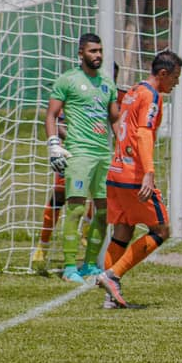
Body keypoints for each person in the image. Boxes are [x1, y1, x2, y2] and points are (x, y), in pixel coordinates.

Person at [95, 51, 182, 309]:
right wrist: (149, 172)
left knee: (123, 229)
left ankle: (110, 297)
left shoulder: (134, 91)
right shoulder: (151, 96)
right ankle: (112, 275)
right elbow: (144, 133)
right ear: (163, 74)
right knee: (161, 230)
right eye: (175, 78)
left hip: (116, 170)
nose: (176, 84)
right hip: (134, 174)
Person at [44, 33, 120, 284]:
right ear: (81, 54)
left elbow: (115, 119)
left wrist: (124, 147)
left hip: (102, 155)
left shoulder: (108, 83)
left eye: (100, 51)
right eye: (92, 51)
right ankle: (68, 267)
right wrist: (54, 145)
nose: (97, 55)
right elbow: (51, 115)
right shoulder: (68, 80)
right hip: (79, 153)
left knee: (103, 212)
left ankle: (88, 264)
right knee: (76, 208)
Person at [32, 112, 68, 268]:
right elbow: (57, 122)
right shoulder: (68, 91)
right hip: (70, 148)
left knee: (100, 195)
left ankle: (87, 233)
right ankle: (43, 245)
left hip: (95, 148)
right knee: (59, 195)